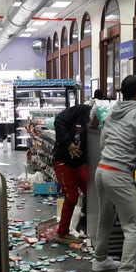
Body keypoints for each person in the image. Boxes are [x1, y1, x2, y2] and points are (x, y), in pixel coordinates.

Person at [92, 75, 136, 272]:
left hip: (102, 170)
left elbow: (103, 143)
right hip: (118, 174)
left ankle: (100, 260)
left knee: (105, 219)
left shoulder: (111, 112)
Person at [51, 104, 92, 244]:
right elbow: (59, 121)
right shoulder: (81, 110)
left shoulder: (100, 122)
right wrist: (68, 143)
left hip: (78, 162)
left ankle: (91, 227)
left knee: (92, 192)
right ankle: (62, 233)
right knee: (71, 197)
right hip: (63, 161)